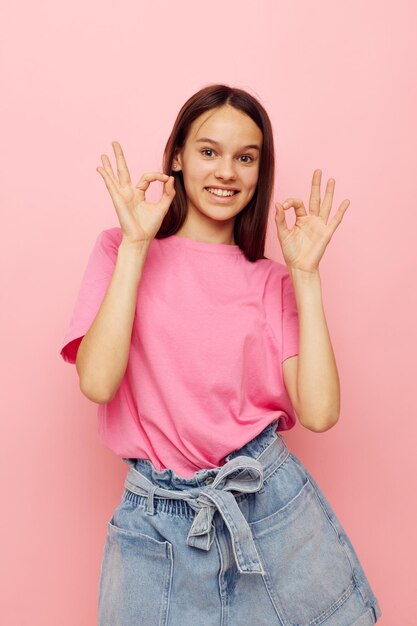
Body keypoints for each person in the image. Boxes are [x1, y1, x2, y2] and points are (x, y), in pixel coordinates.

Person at [59, 84, 382, 625]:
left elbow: (321, 413)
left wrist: (305, 277)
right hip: (154, 520)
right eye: (209, 151)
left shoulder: (272, 282)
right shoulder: (120, 250)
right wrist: (138, 244)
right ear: (178, 158)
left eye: (245, 157)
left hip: (266, 506)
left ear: (260, 172)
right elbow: (97, 381)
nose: (226, 172)